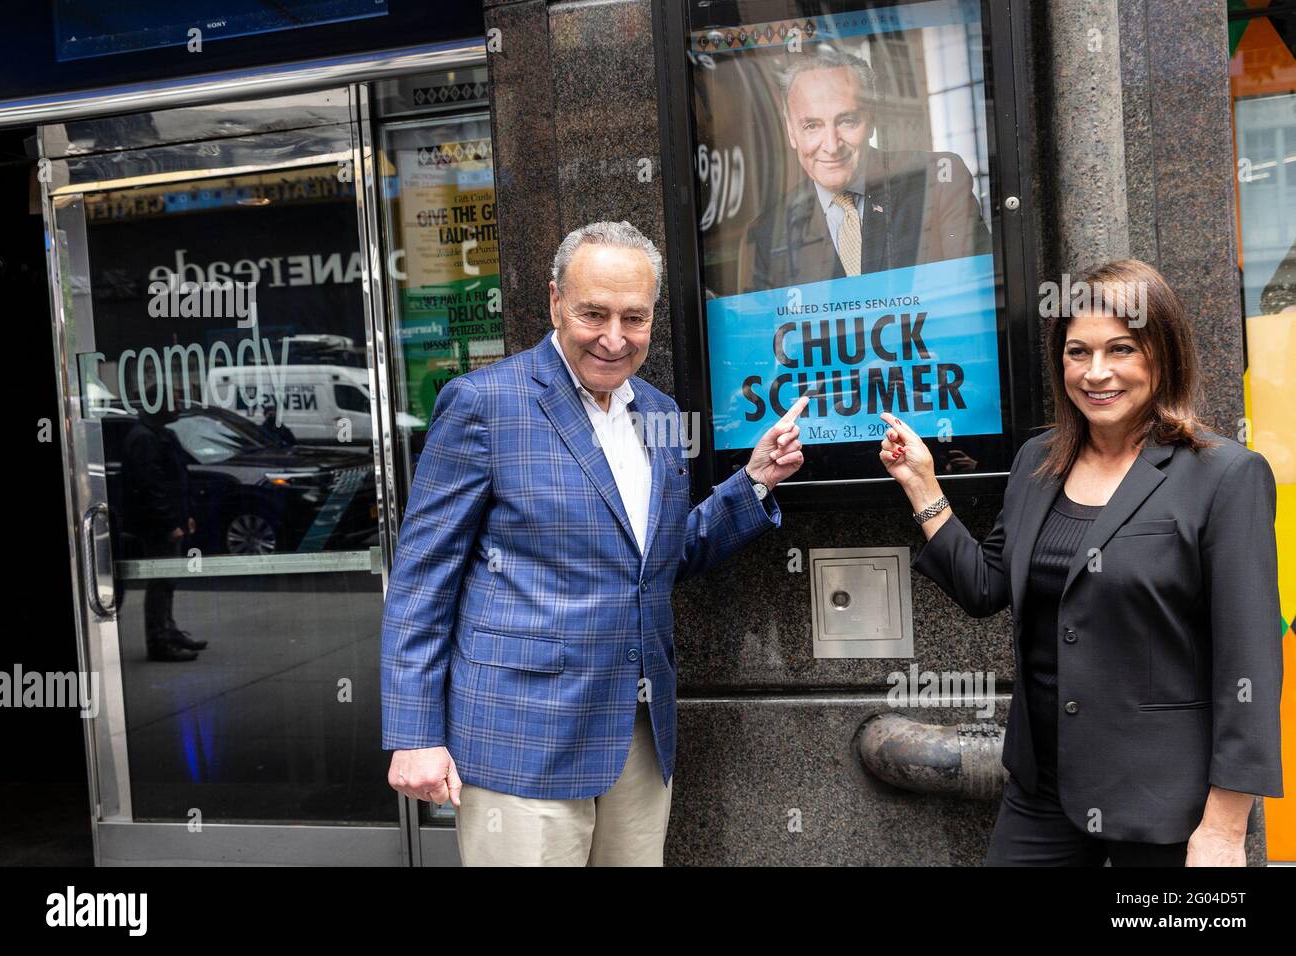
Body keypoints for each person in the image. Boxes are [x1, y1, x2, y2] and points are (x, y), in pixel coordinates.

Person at [381, 220, 808, 866]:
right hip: (520, 741)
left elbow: (657, 561)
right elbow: (421, 581)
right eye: (593, 314)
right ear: (555, 302)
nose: (614, 338)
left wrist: (751, 485)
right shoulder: (484, 405)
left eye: (633, 318)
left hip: (638, 736)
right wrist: (415, 733)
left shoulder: (661, 414)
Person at [881, 259, 1283, 866]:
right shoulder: (1039, 461)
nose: (1096, 373)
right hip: (1043, 788)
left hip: (1166, 803)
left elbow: (1248, 663)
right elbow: (985, 586)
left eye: (1121, 349)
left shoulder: (1224, 476)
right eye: (1078, 352)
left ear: (1162, 355)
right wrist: (921, 487)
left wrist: (1225, 826)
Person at [740, 46, 991, 293]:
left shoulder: (938, 183)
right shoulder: (765, 235)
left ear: (872, 120)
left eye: (847, 120)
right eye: (811, 126)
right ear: (791, 131)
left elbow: (973, 302)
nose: (831, 145)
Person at [119, 381, 206, 662]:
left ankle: (169, 631)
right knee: (161, 581)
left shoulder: (161, 435)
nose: (180, 405)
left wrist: (185, 515)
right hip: (157, 524)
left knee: (168, 580)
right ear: (158, 405)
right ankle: (159, 641)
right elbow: (150, 487)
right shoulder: (144, 438)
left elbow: (175, 479)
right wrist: (170, 522)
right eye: (175, 400)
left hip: (168, 519)